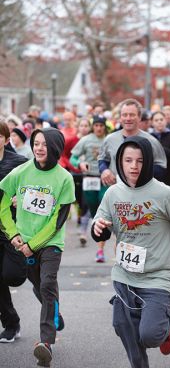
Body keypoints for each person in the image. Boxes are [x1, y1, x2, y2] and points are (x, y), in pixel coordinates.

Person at [91, 136, 170, 368]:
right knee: (122, 327)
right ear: (120, 162)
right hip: (124, 275)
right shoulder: (113, 193)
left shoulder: (164, 194)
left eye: (139, 160)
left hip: (157, 277)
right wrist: (98, 229)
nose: (134, 166)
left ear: (148, 163)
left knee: (149, 335)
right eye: (128, 160)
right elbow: (101, 229)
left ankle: (165, 328)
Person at [0, 128, 75, 367]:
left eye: (44, 144)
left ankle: (46, 344)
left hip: (50, 243)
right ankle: (53, 312)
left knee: (47, 283)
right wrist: (13, 234)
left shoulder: (64, 178)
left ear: (54, 147)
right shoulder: (20, 172)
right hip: (23, 243)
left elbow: (58, 220)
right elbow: (2, 202)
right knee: (40, 288)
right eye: (36, 143)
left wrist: (33, 245)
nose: (39, 148)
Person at [0, 121, 28, 343]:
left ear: (6, 138)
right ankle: (11, 324)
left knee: (12, 276)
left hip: (12, 229)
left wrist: (24, 197)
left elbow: (35, 184)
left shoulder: (19, 163)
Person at [98, 98, 167, 187]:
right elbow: (103, 158)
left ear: (139, 117)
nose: (128, 118)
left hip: (142, 191)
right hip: (116, 190)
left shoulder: (151, 141)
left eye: (132, 115)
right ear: (120, 117)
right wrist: (104, 170)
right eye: (124, 115)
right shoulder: (110, 139)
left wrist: (140, 175)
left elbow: (161, 166)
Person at [70, 116, 108, 261]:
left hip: (104, 178)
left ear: (104, 127)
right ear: (93, 126)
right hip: (89, 178)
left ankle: (100, 250)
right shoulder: (86, 140)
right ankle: (94, 225)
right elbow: (73, 157)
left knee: (102, 207)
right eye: (96, 125)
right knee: (92, 208)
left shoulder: (109, 140)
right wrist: (80, 163)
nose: (99, 128)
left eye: (101, 125)